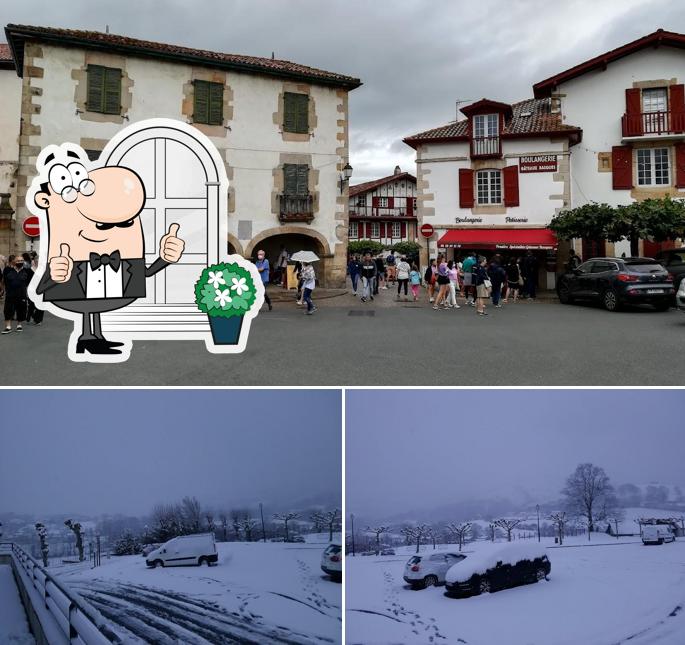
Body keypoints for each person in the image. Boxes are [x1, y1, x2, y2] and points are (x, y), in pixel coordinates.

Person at [3, 254, 31, 334]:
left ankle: (19, 325)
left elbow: (29, 282)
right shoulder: (7, 270)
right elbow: (4, 281)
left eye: (22, 261)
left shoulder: (27, 271)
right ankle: (8, 327)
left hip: (21, 294)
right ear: (14, 261)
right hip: (10, 294)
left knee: (21, 309)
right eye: (18, 261)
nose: (20, 262)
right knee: (8, 310)